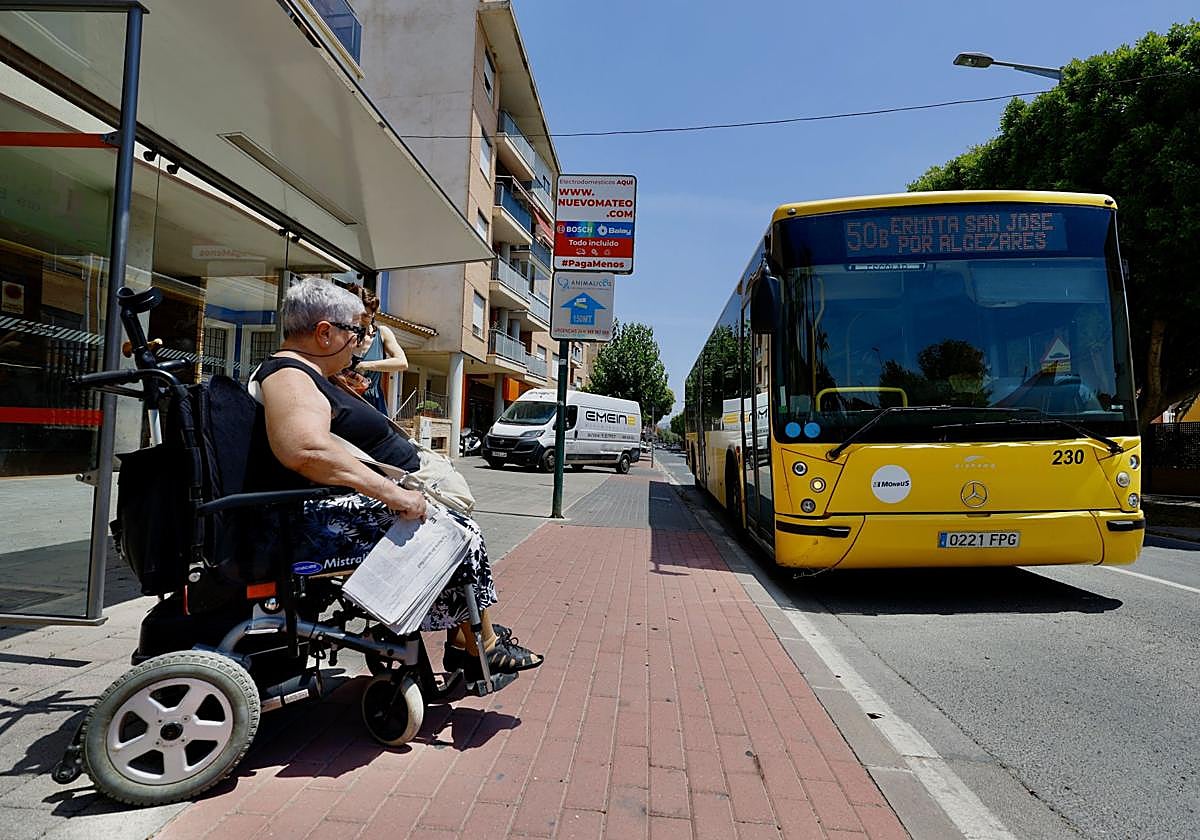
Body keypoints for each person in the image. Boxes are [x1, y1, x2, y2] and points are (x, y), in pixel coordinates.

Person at [253, 278, 541, 675]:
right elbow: (306, 450)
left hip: (374, 485)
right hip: (314, 517)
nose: (359, 342)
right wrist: (394, 494)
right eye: (354, 332)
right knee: (453, 532)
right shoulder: (288, 375)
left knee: (452, 528)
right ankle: (478, 644)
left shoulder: (309, 372)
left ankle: (463, 638)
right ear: (324, 333)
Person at [343, 283, 409, 414]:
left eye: (366, 316)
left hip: (373, 403)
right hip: (345, 400)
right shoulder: (343, 334)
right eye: (359, 314)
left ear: (373, 315)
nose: (361, 320)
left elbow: (402, 362)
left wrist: (364, 365)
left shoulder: (383, 333)